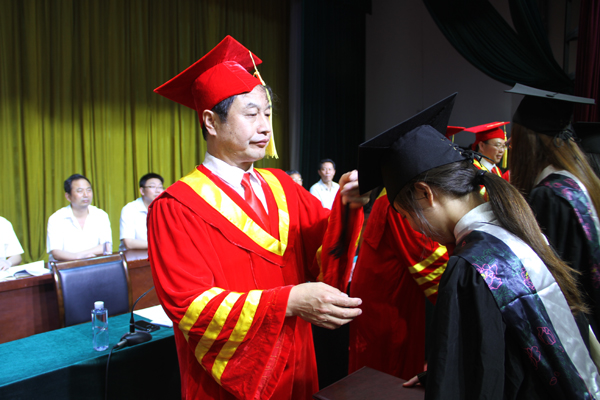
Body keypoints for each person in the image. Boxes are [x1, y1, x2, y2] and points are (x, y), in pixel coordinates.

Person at [149, 35, 368, 400]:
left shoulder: (282, 186)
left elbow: (323, 256)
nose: (266, 126)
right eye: (251, 114)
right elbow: (190, 306)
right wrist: (289, 302)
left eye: (267, 113)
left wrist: (348, 206)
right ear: (210, 122)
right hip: (230, 379)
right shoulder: (177, 207)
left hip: (298, 359)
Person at [358, 93, 600, 399]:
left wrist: (450, 376)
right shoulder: (515, 228)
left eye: (406, 216)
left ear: (425, 194)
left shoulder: (470, 267)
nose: (413, 227)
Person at [349, 97, 456, 381]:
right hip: (388, 304)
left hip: (396, 294)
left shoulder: (396, 196)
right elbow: (430, 263)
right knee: (387, 375)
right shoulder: (401, 205)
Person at [507, 83, 600, 337]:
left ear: (528, 141)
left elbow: (549, 280)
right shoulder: (578, 181)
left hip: (572, 327)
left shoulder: (549, 195)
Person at [46, 174, 112, 261]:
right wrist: (79, 257)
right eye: (80, 191)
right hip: (66, 266)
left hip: (95, 264)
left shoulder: (101, 215)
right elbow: (56, 252)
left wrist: (81, 255)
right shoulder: (56, 219)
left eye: (88, 190)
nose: (86, 195)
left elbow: (106, 247)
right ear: (68, 196)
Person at [119, 172, 164, 250]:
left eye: (160, 187)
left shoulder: (165, 208)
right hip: (134, 256)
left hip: (159, 253)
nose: (158, 191)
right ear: (142, 191)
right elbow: (129, 243)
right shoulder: (130, 209)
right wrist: (160, 245)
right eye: (152, 186)